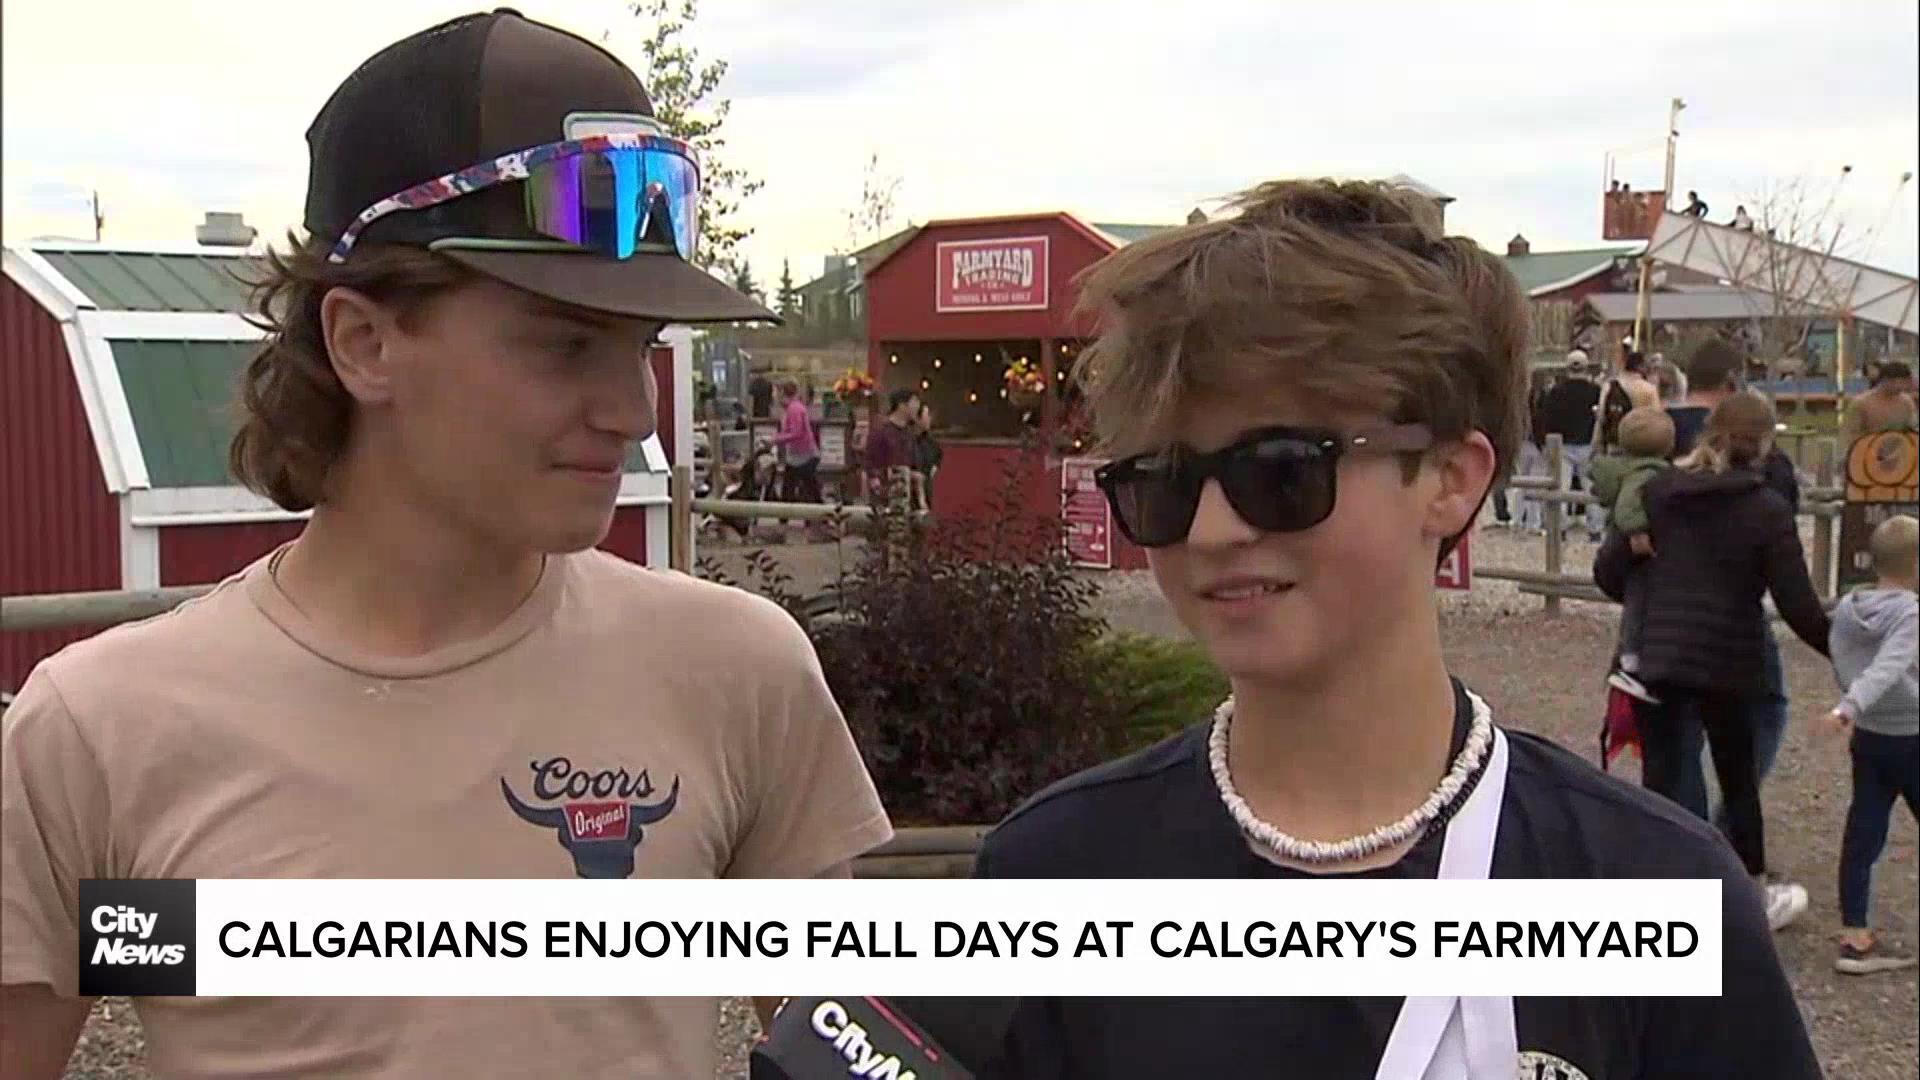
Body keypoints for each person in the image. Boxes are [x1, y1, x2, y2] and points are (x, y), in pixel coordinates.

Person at [1, 11, 893, 1078]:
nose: (631, 411)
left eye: (641, 350)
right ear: (364, 342)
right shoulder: (99, 730)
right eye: (564, 346)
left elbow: (848, 1053)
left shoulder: (737, 670)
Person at [970, 178, 1820, 1079]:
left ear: (1452, 477)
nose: (1213, 532)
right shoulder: (1056, 870)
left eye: (1282, 470)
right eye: (1164, 484)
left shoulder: (1650, 885)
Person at [1595, 392, 1831, 931]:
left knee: (1667, 778)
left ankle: (1666, 897)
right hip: (1729, 658)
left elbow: (1608, 574)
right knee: (1737, 776)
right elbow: (1798, 605)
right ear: (1768, 441)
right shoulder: (1766, 508)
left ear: (1707, 433)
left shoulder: (1656, 493)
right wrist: (1851, 655)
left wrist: (1639, 562)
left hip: (1655, 656)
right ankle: (1745, 893)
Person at [1664, 337, 1799, 818]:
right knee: (1764, 710)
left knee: (1677, 731)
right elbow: (1783, 513)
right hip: (1735, 612)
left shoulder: (1656, 433)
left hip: (1664, 612)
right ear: (1731, 382)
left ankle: (1686, 833)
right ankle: (1725, 825)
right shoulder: (1761, 455)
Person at [1821, 514, 1919, 975]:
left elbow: (1848, 659)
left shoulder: (1847, 609)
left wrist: (1852, 703)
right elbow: (1891, 665)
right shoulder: (1911, 613)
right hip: (1910, 731)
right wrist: (1850, 705)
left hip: (1871, 737)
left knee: (1865, 825)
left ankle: (1854, 933)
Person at [1590, 407, 1675, 703]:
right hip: (1637, 547)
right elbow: (1628, 507)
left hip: (1617, 548)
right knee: (1640, 598)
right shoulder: (1646, 474)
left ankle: (1630, 655)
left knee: (1636, 602)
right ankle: (1632, 660)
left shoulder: (1624, 468)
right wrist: (1638, 531)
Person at [1536, 349, 1605, 539]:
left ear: (1567, 368)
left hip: (1561, 446)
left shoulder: (1555, 392)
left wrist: (1544, 444)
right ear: (1586, 368)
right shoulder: (1596, 392)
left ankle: (1560, 530)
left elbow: (1545, 419)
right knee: (1591, 489)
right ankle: (1595, 530)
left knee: (1560, 489)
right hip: (1589, 445)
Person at [1839, 360, 1919, 447]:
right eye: (1897, 382)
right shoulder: (1861, 403)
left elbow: (1913, 429)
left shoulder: (1907, 402)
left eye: (1904, 382)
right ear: (1885, 380)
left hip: (1899, 453)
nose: (1901, 386)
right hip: (1867, 452)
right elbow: (1849, 434)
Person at [1595, 349, 1660, 453]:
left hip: (1615, 443)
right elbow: (1656, 419)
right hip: (1640, 444)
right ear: (1642, 367)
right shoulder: (1649, 389)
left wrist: (1597, 445)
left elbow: (1601, 417)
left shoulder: (1610, 386)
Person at [771, 379, 822, 505]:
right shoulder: (794, 408)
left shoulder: (794, 409)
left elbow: (797, 433)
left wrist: (776, 439)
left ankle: (786, 517)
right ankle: (820, 515)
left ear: (783, 394)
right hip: (801, 455)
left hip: (803, 456)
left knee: (801, 488)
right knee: (804, 488)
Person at [864, 388, 919, 504]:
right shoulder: (881, 430)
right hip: (886, 492)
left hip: (907, 492)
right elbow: (870, 461)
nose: (917, 407)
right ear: (902, 405)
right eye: (914, 402)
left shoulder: (910, 433)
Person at [909, 402, 943, 512]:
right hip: (907, 496)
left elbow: (938, 456)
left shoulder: (930, 442)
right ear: (917, 419)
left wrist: (934, 468)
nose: (929, 419)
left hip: (926, 494)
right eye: (926, 415)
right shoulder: (905, 440)